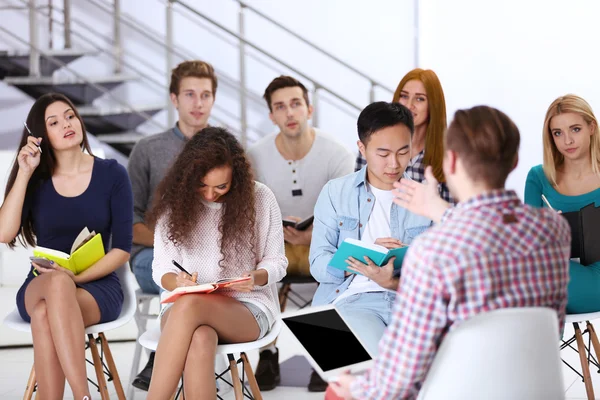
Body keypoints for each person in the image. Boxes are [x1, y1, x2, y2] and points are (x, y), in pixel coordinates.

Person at [330, 105, 571, 399]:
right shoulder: (553, 230)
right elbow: (489, 229)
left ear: (452, 161)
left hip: (459, 391)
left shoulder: (433, 251)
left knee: (338, 388)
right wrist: (442, 211)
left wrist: (353, 387)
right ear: (515, 161)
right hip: (537, 388)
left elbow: (398, 380)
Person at [0, 93, 133, 400]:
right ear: (40, 135)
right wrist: (25, 171)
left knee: (47, 313)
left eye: (70, 115)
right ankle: (83, 395)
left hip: (97, 287)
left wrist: (75, 278)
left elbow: (122, 249)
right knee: (55, 284)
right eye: (54, 122)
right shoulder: (35, 178)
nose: (67, 124)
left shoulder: (113, 174)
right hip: (40, 284)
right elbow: (5, 233)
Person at [145, 127, 287, 399]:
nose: (210, 195)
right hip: (182, 313)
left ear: (237, 177)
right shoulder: (173, 204)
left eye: (221, 186)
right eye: (202, 185)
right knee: (200, 338)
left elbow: (278, 261)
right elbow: (160, 268)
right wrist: (177, 282)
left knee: (189, 305)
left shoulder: (260, 198)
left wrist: (256, 276)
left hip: (246, 309)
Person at [247, 75, 354, 391]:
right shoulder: (255, 155)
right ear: (271, 115)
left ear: (310, 108)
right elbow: (249, 214)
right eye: (280, 107)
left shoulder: (337, 153)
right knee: (259, 267)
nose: (289, 113)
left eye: (295, 104)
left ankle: (327, 355)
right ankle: (268, 355)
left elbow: (349, 216)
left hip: (321, 243)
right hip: (275, 246)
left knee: (337, 265)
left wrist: (314, 235)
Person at [310, 101, 432, 357]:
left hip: (411, 302)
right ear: (362, 149)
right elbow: (318, 263)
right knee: (380, 363)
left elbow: (440, 270)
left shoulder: (426, 198)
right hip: (353, 299)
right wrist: (364, 257)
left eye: (403, 152)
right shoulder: (335, 192)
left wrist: (395, 280)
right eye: (383, 153)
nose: (394, 164)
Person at [127, 60, 217, 390]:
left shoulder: (228, 152)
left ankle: (171, 355)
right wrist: (172, 244)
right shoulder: (147, 150)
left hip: (210, 257)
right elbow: (128, 221)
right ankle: (166, 356)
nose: (198, 103)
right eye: (190, 94)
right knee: (183, 277)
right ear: (174, 99)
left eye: (205, 95)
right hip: (152, 256)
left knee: (202, 273)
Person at [525, 94, 600, 314]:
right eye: (558, 133)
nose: (567, 141)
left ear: (591, 128)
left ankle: (538, 345)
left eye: (575, 129)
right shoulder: (538, 177)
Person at [355, 68, 454, 203]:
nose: (409, 105)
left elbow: (453, 213)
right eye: (404, 96)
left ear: (433, 106)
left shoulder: (449, 157)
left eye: (419, 99)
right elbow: (357, 198)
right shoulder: (372, 146)